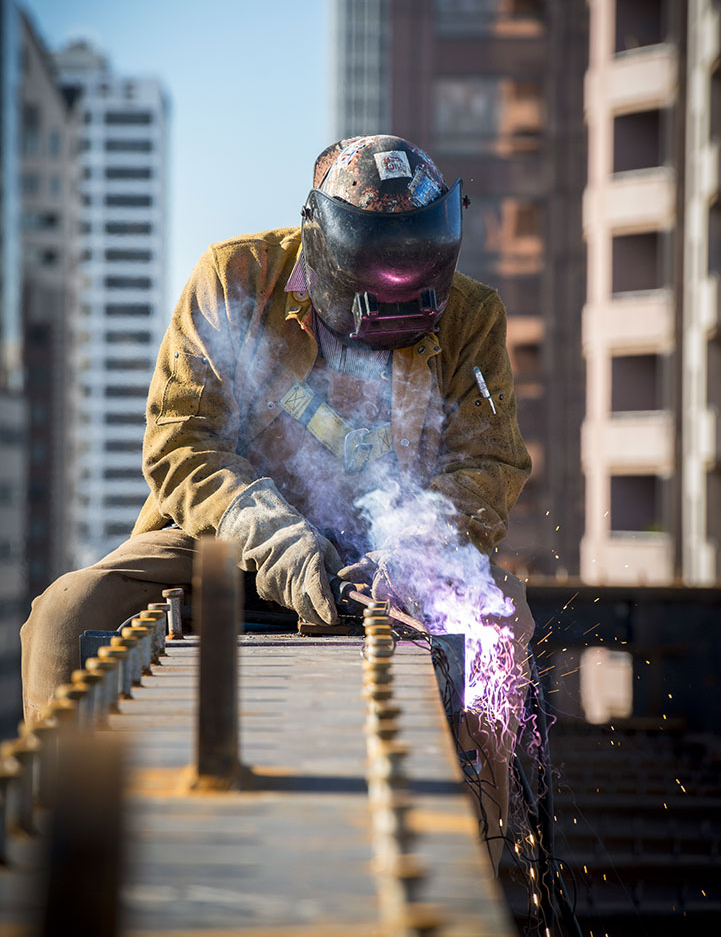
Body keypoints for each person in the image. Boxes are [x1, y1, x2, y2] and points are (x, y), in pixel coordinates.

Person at [21, 135, 533, 867]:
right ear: (317, 244)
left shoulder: (471, 315)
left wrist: (412, 554)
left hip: (387, 566)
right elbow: (182, 442)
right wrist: (276, 540)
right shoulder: (233, 278)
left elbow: (487, 463)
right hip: (224, 543)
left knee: (498, 625)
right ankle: (51, 852)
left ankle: (479, 859)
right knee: (66, 614)